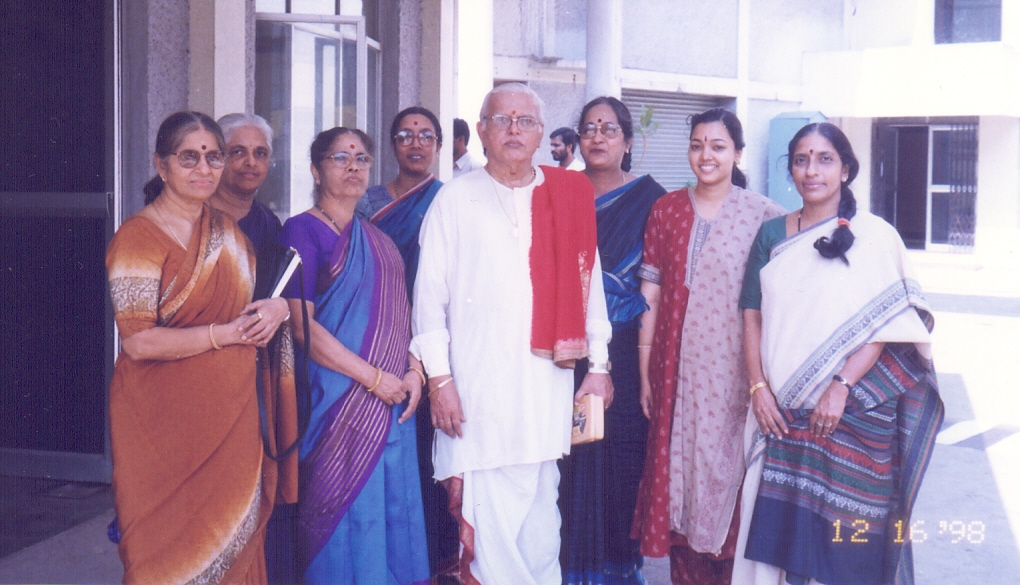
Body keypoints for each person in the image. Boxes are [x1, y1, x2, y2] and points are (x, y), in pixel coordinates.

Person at [411, 82, 613, 584]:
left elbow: (590, 287)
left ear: (542, 133)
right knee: (491, 524)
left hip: (544, 391)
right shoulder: (454, 200)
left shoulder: (568, 196)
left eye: (526, 121)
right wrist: (440, 380)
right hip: (476, 393)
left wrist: (599, 365)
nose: (514, 130)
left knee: (542, 519)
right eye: (502, 119)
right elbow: (428, 301)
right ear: (482, 131)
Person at [732, 123, 943, 585]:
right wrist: (758, 388)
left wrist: (841, 386)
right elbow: (751, 315)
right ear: (790, 170)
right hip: (780, 415)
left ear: (845, 169)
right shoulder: (771, 235)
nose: (812, 170)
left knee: (846, 549)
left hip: (851, 414)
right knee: (773, 546)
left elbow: (887, 324)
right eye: (801, 160)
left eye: (825, 159)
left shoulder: (876, 236)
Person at [106, 111, 287, 583]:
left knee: (234, 538)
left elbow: (254, 304)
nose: (204, 169)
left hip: (231, 416)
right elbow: (138, 340)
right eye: (189, 157)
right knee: (163, 552)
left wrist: (279, 308)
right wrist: (223, 335)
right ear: (161, 165)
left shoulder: (229, 232)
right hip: (159, 422)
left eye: (213, 157)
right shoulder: (137, 237)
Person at [630, 108, 785, 585]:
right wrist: (645, 372)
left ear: (738, 153)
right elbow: (651, 294)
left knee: (728, 476)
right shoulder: (667, 210)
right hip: (674, 370)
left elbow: (778, 301)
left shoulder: (764, 215)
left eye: (718, 146)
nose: (706, 155)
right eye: (697, 145)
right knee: (681, 478)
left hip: (737, 376)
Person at [279, 126, 430, 585]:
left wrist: (414, 371)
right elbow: (301, 326)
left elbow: (404, 315)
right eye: (340, 158)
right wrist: (373, 379)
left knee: (390, 508)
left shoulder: (379, 241)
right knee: (338, 511)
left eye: (361, 159)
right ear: (315, 170)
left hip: (391, 397)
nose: (353, 167)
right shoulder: (301, 230)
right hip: (335, 396)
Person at [558, 97, 666, 584]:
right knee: (568, 460)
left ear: (627, 141)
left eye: (608, 129)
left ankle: (619, 572)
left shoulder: (653, 200)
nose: (597, 137)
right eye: (588, 128)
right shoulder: (557, 192)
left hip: (627, 350)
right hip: (563, 348)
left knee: (622, 461)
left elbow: (662, 285)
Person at [355, 105, 459, 578]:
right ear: (392, 145)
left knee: (434, 447)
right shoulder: (366, 202)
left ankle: (440, 560)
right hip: (377, 339)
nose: (416, 144)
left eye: (425, 135)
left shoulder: (450, 200)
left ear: (439, 145)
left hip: (438, 340)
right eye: (404, 135)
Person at [210, 112, 299, 585]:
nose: (250, 163)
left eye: (260, 153)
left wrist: (282, 307)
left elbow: (282, 294)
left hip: (253, 379)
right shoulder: (187, 216)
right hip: (197, 375)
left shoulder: (269, 224)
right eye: (237, 152)